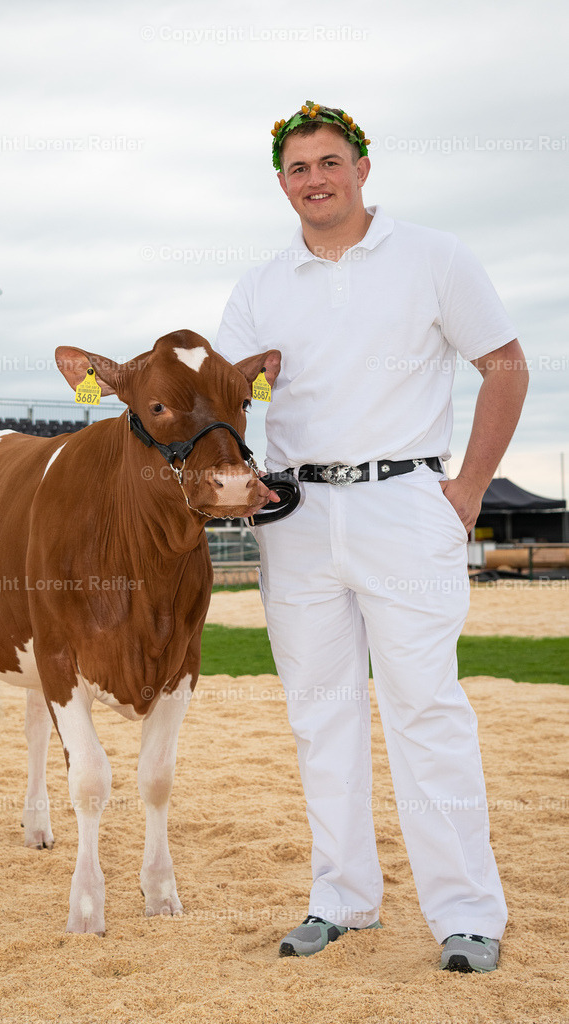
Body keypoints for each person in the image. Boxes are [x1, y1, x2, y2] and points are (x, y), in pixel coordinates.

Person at [215, 101, 528, 972]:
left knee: (426, 709)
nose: (314, 178)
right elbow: (226, 395)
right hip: (297, 516)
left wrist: (465, 488)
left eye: (328, 161)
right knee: (322, 715)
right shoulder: (260, 284)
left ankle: (466, 914)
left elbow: (504, 363)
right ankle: (342, 901)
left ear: (361, 167)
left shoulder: (433, 256)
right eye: (296, 167)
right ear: (280, 181)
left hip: (404, 503)